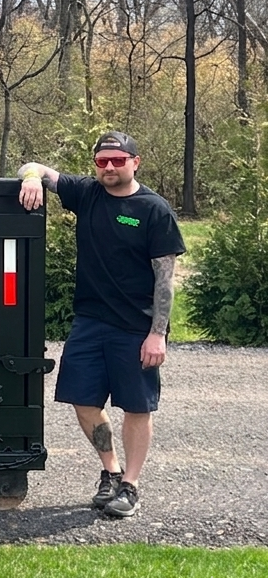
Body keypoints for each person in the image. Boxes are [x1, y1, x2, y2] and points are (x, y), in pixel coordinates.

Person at [17, 131, 186, 518]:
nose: (109, 167)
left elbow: (165, 279)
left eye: (117, 160)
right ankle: (111, 471)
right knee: (84, 401)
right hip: (90, 322)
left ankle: (131, 485)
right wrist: (30, 179)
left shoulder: (154, 210)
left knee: (136, 407)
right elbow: (35, 167)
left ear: (135, 162)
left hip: (136, 327)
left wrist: (157, 334)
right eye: (102, 161)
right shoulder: (87, 194)